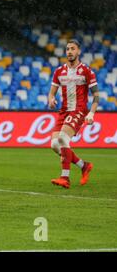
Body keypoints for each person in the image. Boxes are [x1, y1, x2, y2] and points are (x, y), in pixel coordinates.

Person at [48, 39, 98, 189]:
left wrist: (91, 113)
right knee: (54, 145)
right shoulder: (59, 71)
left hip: (79, 110)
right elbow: (51, 93)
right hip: (64, 111)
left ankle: (65, 177)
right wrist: (51, 100)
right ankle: (84, 165)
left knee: (63, 138)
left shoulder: (86, 71)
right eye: (68, 49)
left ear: (79, 51)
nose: (69, 51)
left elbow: (96, 95)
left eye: (73, 49)